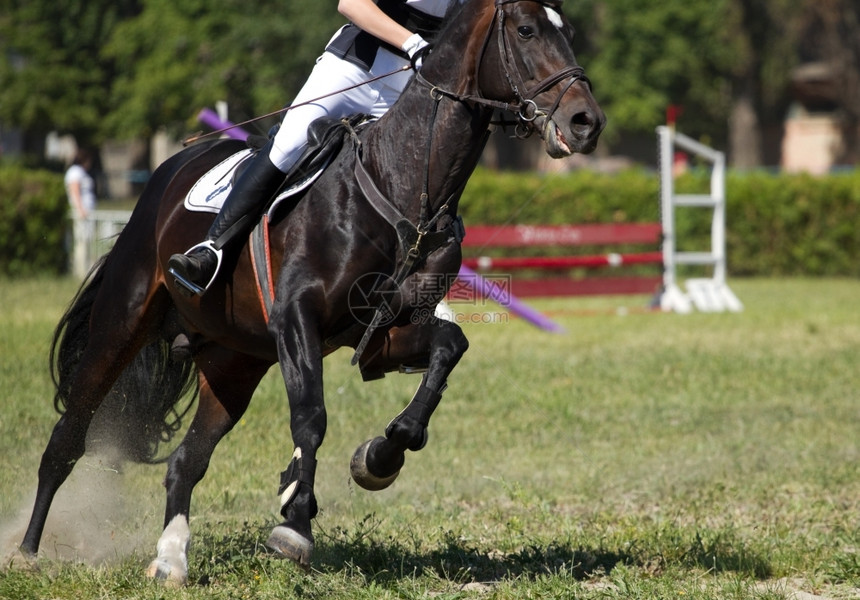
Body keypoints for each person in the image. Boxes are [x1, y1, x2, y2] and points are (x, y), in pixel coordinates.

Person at [169, 0, 459, 296]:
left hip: (411, 87)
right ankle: (211, 249)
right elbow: (351, 4)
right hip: (355, 70)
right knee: (287, 146)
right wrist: (414, 44)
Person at [65, 148, 97, 278]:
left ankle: (85, 267)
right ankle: (81, 270)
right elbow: (75, 191)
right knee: (81, 241)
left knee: (87, 241)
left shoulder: (81, 172)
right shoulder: (75, 172)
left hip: (87, 213)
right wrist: (81, 210)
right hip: (81, 213)